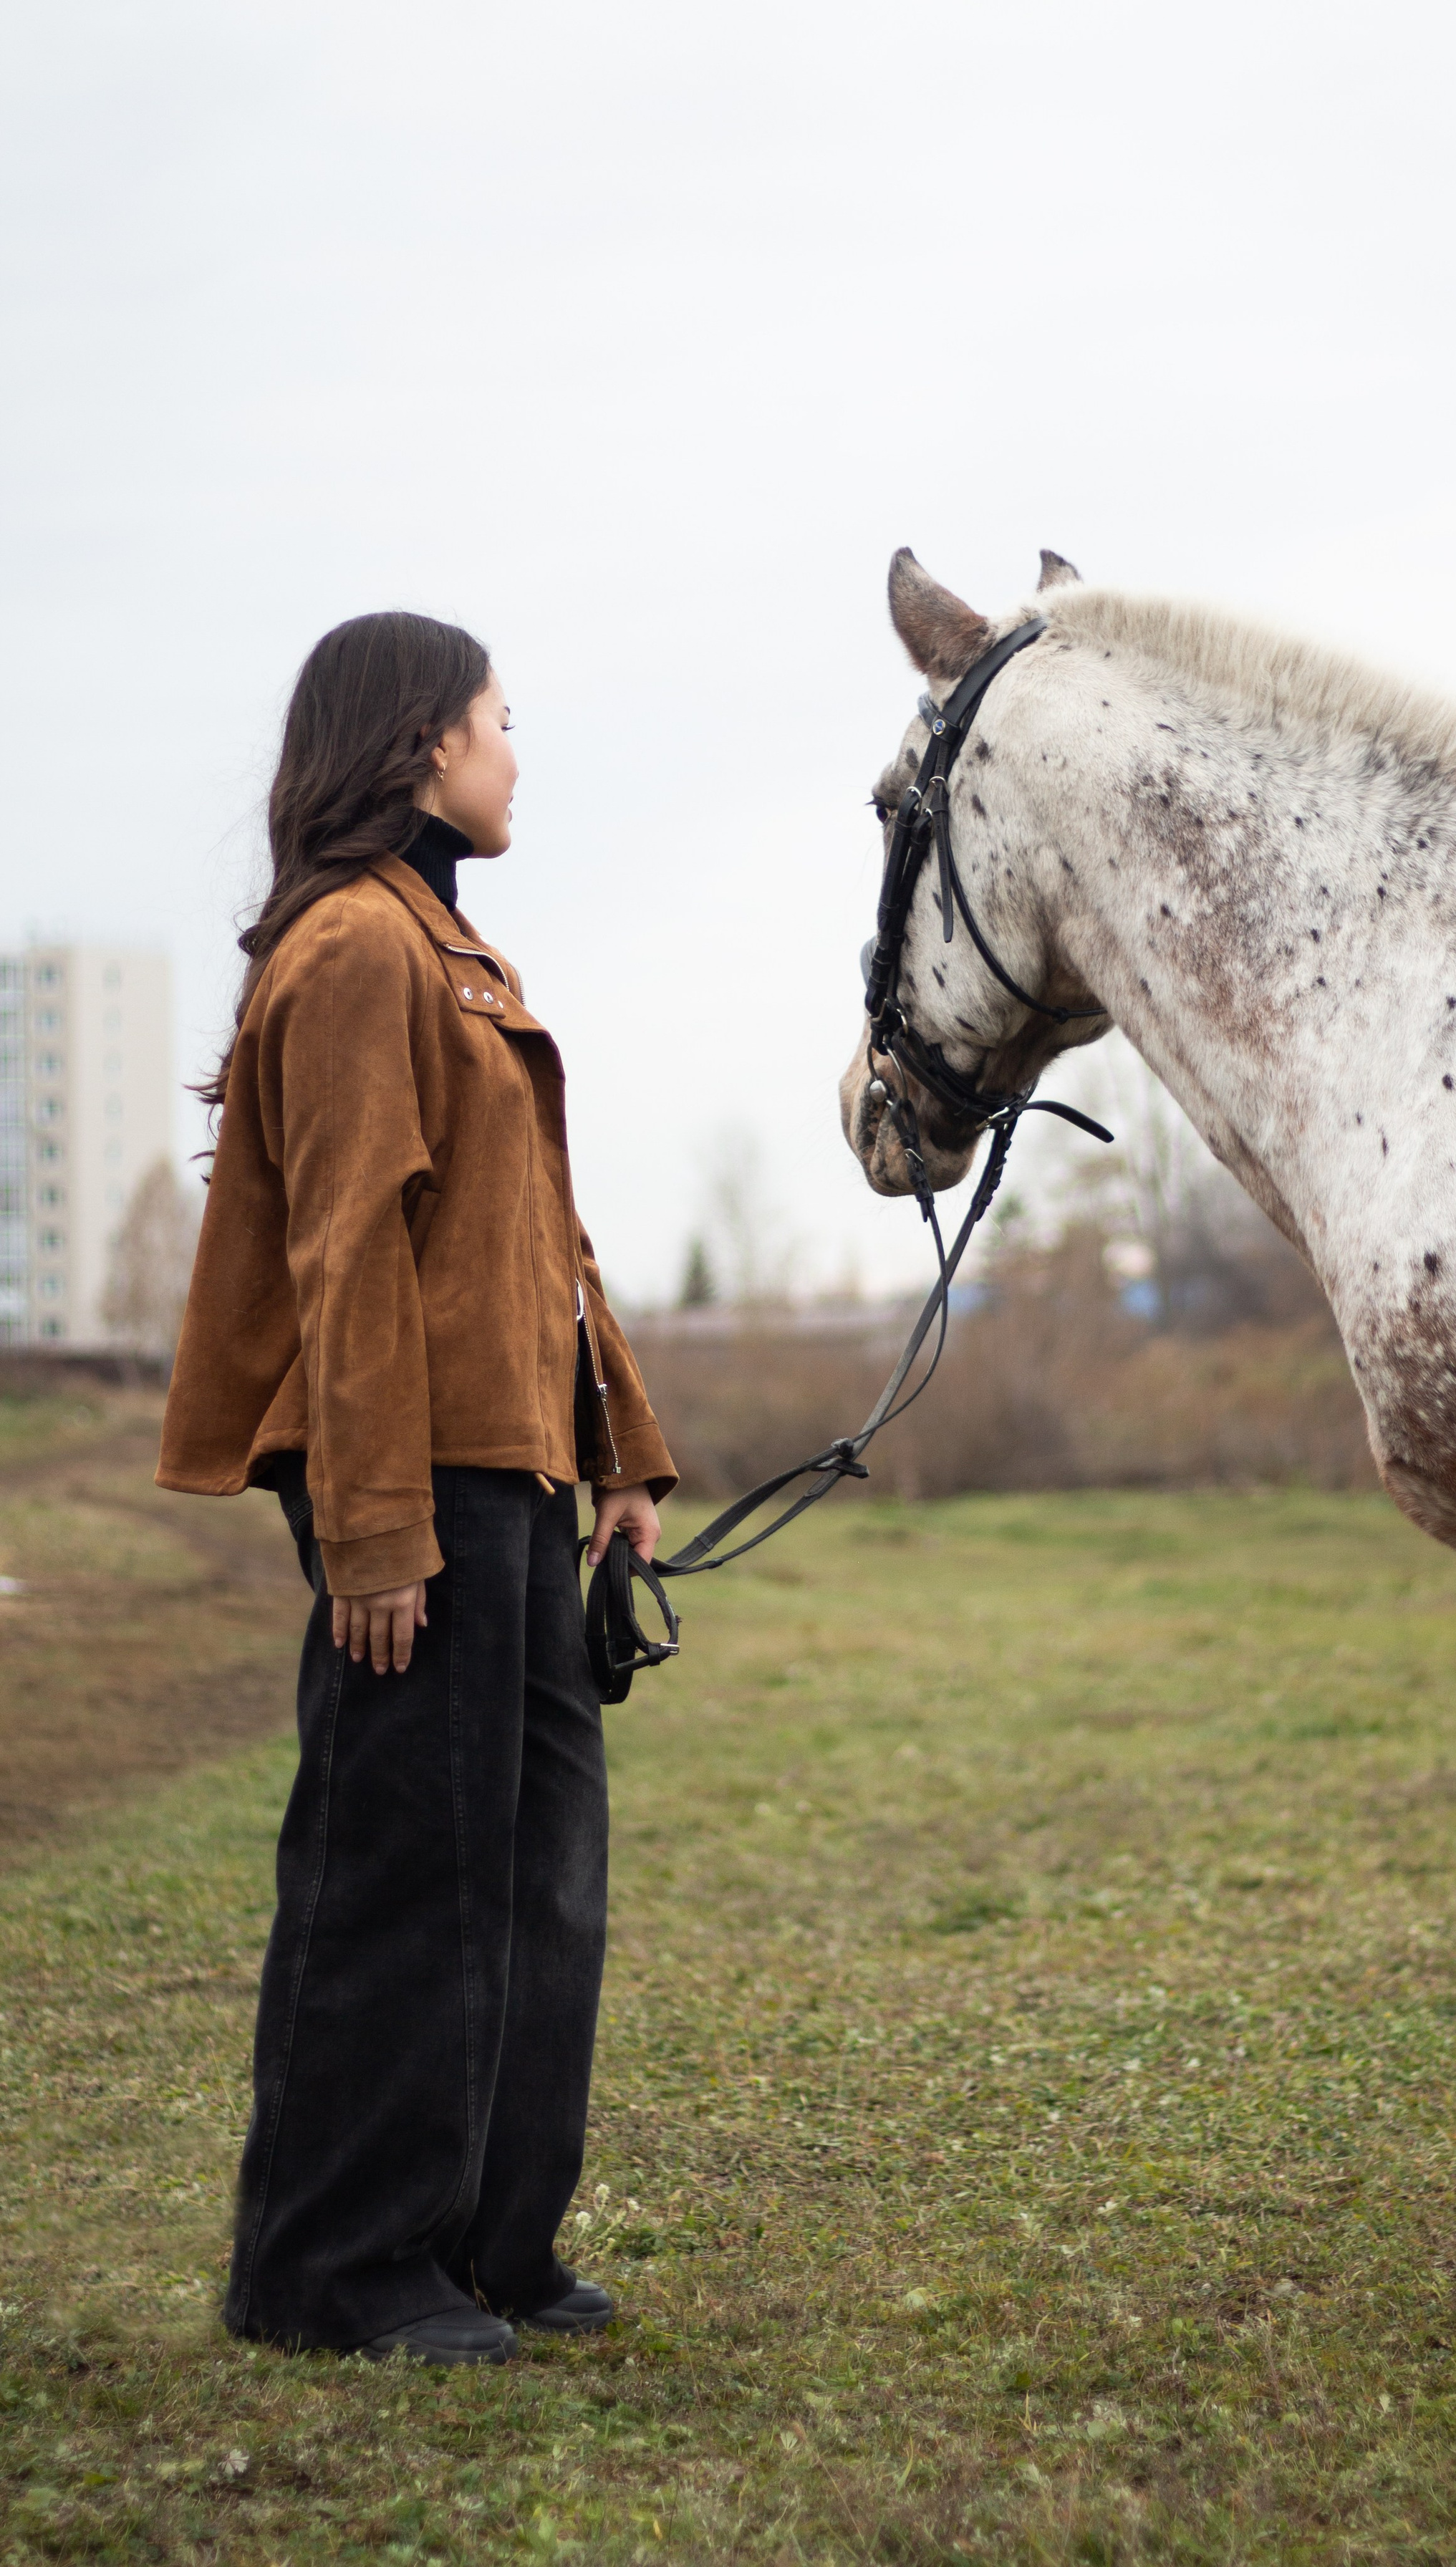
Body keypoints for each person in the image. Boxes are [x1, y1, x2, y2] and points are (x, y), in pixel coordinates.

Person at [158, 611, 675, 2365]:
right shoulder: (353, 949)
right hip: (418, 1484)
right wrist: (373, 1524)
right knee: (407, 1874)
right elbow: (348, 1252)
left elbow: (543, 1238)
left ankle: (485, 2244)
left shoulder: (455, 951)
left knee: (538, 1876)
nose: (515, 752)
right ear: (423, 743)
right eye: (498, 719)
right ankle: (335, 2267)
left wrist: (620, 1453)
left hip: (515, 1471)